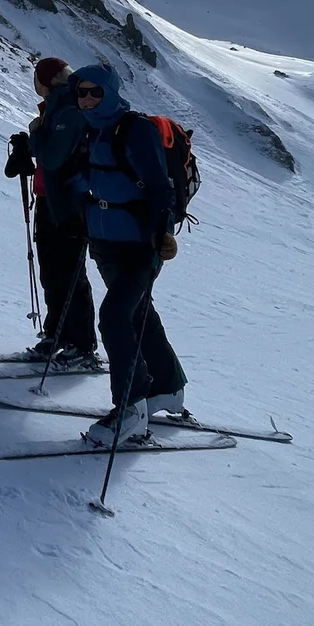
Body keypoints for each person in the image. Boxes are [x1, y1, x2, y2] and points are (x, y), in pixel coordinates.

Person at [70, 61, 186, 446]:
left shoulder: (135, 130)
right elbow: (99, 176)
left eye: (94, 92)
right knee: (137, 312)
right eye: (81, 92)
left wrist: (164, 233)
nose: (86, 99)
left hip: (140, 244)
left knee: (115, 315)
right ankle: (167, 388)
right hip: (105, 241)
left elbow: (160, 187)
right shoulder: (92, 130)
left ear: (110, 92)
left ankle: (132, 408)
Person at [2, 57, 99, 364]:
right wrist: (27, 145)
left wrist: (34, 136)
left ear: (44, 81)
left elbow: (54, 156)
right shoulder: (55, 109)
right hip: (49, 201)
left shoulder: (68, 111)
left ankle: (82, 345)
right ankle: (56, 334)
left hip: (68, 206)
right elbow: (50, 150)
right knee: (52, 274)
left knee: (70, 276)